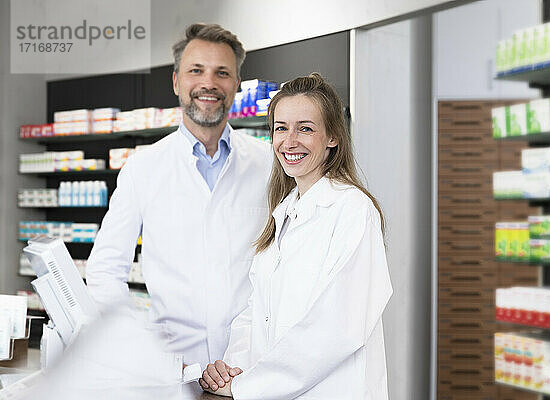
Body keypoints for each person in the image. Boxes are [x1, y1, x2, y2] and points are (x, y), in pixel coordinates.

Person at [85, 23, 272, 372]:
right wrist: (134, 345)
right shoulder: (143, 167)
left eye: (222, 73)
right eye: (196, 70)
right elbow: (104, 270)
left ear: (235, 83)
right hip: (172, 368)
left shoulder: (268, 164)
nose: (209, 83)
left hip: (251, 366)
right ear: (176, 81)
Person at [200, 73, 393, 399]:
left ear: (333, 137)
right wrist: (231, 371)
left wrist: (249, 386)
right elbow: (256, 310)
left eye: (305, 128)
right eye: (281, 128)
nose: (290, 141)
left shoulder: (353, 210)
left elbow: (337, 327)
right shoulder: (284, 213)